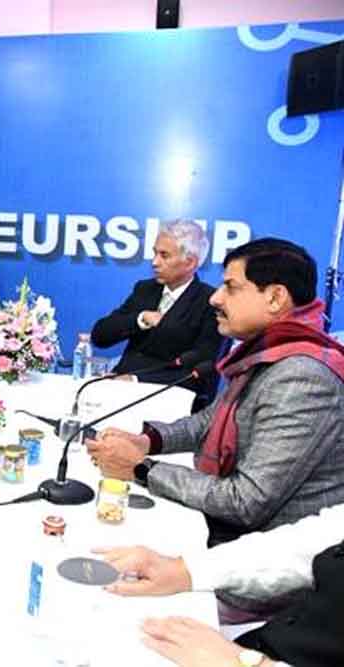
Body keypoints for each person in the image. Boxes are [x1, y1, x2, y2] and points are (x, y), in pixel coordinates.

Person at [87, 238, 344, 619]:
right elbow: (212, 419)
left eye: (231, 287)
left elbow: (246, 501)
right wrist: (148, 441)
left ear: (275, 298)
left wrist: (140, 469)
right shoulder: (272, 351)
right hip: (231, 537)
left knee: (113, 597)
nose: (215, 298)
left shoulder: (302, 377)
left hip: (262, 575)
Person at [94, 502, 344, 667]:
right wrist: (185, 571)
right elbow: (310, 541)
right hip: (265, 643)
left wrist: (245, 663)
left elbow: (248, 498)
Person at [91, 219, 226, 409]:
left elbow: (202, 372)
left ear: (190, 262)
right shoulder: (145, 289)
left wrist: (135, 380)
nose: (154, 262)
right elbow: (99, 336)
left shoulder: (210, 302)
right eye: (155, 253)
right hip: (119, 391)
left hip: (168, 402)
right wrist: (139, 319)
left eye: (164, 255)